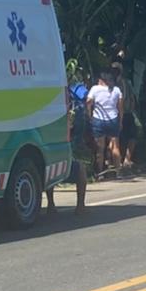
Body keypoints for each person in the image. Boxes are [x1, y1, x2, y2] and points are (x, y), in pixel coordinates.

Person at [46, 86, 89, 214]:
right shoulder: (65, 114)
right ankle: (80, 206)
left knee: (50, 170)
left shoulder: (46, 114)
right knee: (80, 170)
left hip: (48, 153)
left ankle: (51, 204)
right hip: (60, 153)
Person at [86, 69, 123, 177]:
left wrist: (90, 115)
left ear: (102, 80)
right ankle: (118, 171)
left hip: (98, 120)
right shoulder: (117, 90)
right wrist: (120, 122)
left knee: (100, 148)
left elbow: (88, 102)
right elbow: (120, 108)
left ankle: (100, 173)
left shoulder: (95, 89)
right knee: (115, 146)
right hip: (113, 120)